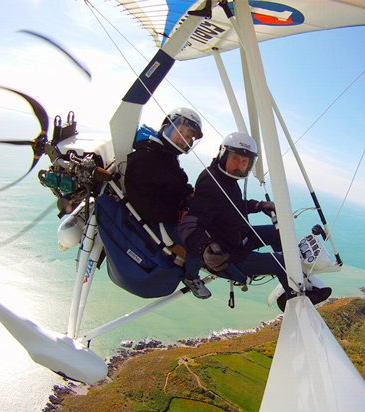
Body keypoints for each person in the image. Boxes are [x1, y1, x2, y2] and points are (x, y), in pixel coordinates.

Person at [178, 131, 331, 310]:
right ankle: (292, 297)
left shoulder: (227, 179)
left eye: (245, 162)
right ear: (223, 155)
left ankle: (291, 280)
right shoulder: (212, 182)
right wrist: (204, 248)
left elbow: (233, 205)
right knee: (285, 263)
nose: (239, 166)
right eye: (235, 159)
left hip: (240, 236)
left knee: (278, 234)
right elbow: (192, 223)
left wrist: (259, 206)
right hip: (232, 254)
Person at [124, 107, 211, 299]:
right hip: (164, 219)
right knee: (200, 243)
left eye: (189, 138)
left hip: (176, 208)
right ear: (168, 126)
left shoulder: (165, 154)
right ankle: (191, 277)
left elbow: (174, 183)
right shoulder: (146, 157)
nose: (184, 139)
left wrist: (193, 194)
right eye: (182, 133)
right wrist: (178, 215)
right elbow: (144, 204)